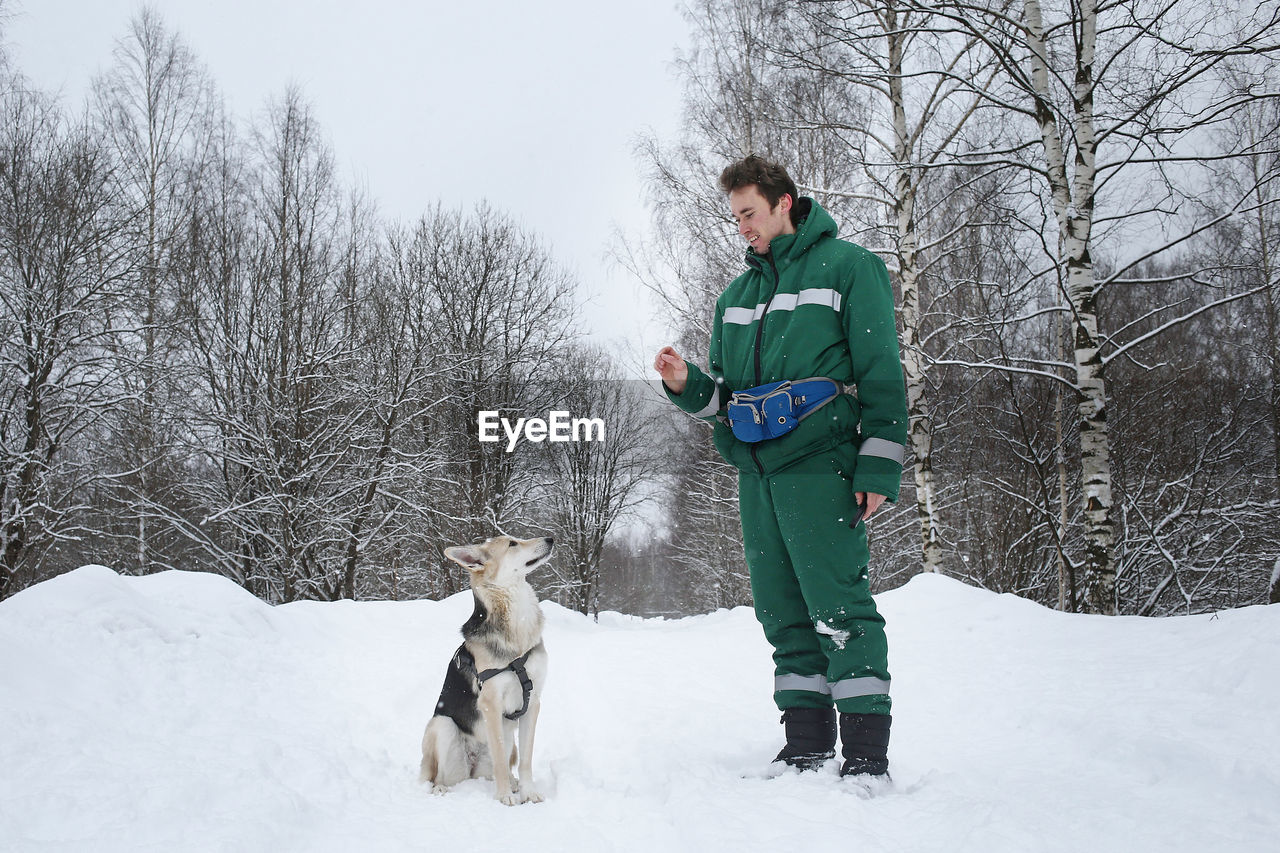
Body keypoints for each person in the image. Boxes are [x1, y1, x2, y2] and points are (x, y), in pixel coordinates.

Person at [653, 156, 908, 778]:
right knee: (781, 612)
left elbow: (881, 374)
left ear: (785, 203)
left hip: (823, 466)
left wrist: (877, 468)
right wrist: (687, 384)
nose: (742, 226)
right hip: (758, 476)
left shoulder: (850, 269)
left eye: (750, 213)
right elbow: (726, 403)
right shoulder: (736, 298)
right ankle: (807, 743)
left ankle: (867, 757)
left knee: (839, 608)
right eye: (735, 216)